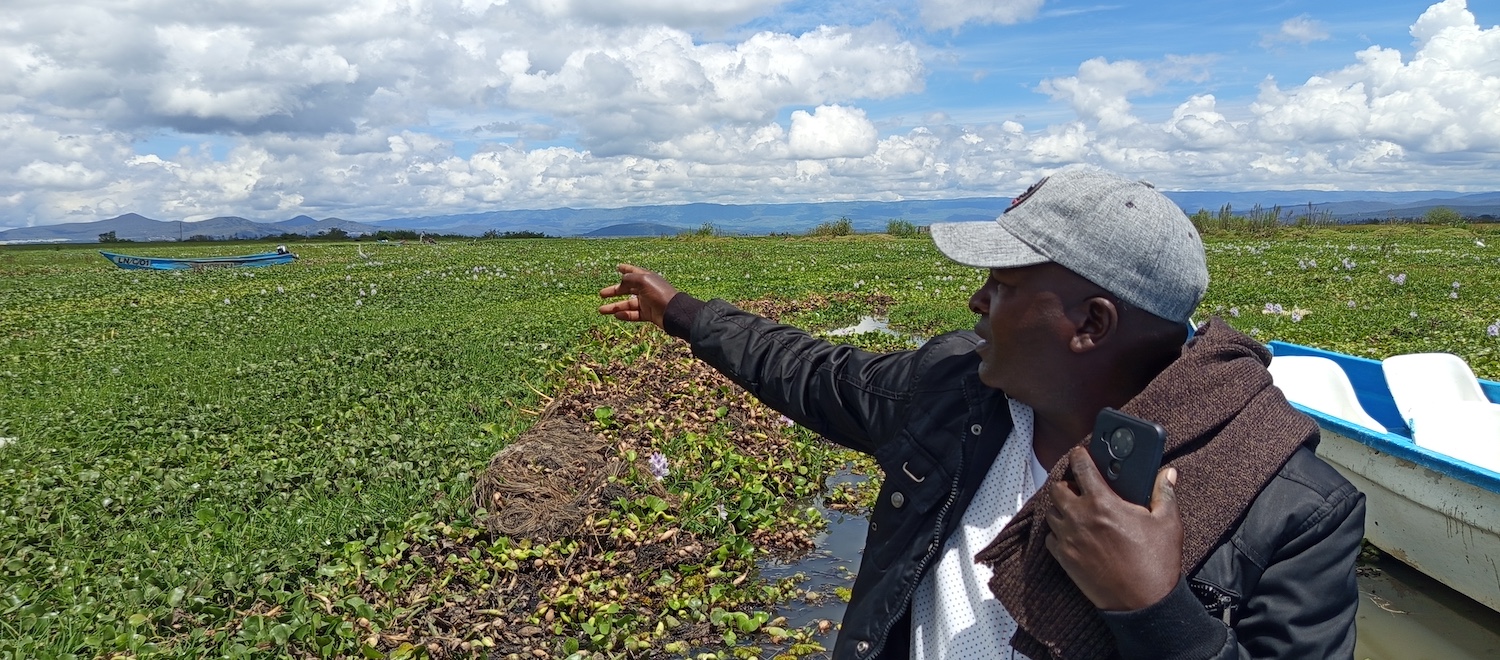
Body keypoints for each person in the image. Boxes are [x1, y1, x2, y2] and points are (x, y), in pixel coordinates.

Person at [598, 169, 1364, 660]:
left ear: (1090, 325)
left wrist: (1154, 611)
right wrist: (684, 313)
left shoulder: (1296, 513)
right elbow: (814, 373)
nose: (977, 302)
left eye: (1002, 284)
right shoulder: (958, 392)